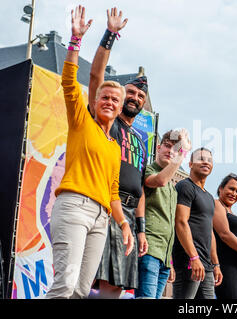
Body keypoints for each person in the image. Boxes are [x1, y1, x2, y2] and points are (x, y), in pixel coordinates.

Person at [46, 5, 133, 299]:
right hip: (73, 207)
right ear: (95, 102)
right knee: (64, 286)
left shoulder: (112, 145)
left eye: (115, 99)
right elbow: (69, 81)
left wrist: (124, 224)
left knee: (82, 291)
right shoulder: (83, 121)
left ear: (120, 109)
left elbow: (113, 190)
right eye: (104, 97)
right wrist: (75, 40)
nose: (109, 101)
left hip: (101, 217)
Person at [87, 8, 149, 298]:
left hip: (127, 215)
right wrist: (110, 35)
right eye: (131, 93)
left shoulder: (141, 139)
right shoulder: (107, 121)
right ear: (121, 96)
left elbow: (141, 190)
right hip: (102, 205)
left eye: (141, 96)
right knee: (87, 280)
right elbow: (96, 77)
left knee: (115, 289)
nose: (135, 98)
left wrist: (141, 229)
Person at [135, 129, 191, 299]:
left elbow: (171, 225)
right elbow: (160, 180)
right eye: (167, 146)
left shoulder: (173, 189)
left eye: (175, 149)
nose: (171, 152)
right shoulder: (147, 170)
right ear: (158, 148)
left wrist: (170, 262)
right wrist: (182, 152)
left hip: (164, 258)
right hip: (149, 249)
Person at [172, 147, 223, 299]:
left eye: (209, 160)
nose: (206, 162)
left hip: (206, 265)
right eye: (201, 158)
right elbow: (180, 222)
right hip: (189, 260)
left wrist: (216, 264)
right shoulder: (185, 186)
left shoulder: (208, 197)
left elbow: (210, 232)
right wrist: (194, 258)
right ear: (190, 164)